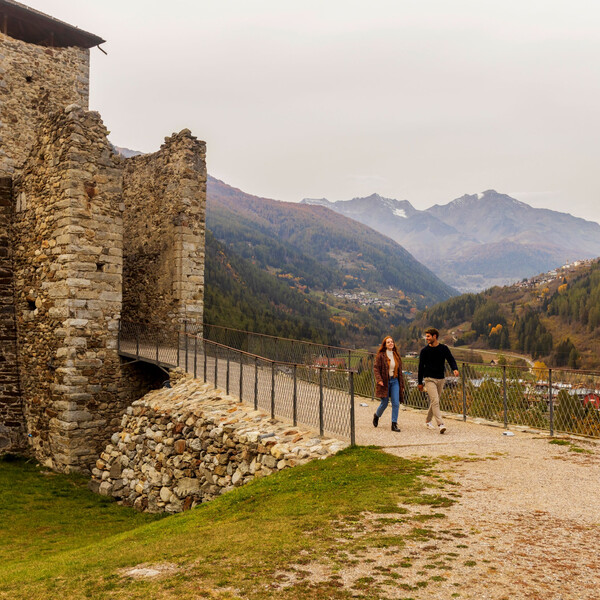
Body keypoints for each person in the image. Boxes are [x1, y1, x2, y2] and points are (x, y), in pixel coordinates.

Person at [417, 327, 459, 434]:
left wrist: (455, 369)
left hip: (441, 378)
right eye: (426, 336)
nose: (426, 338)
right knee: (435, 401)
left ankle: (427, 421)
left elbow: (450, 359)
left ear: (434, 336)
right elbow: (421, 367)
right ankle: (441, 424)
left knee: (435, 401)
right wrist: (419, 383)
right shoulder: (424, 351)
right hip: (429, 378)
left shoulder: (444, 349)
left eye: (428, 336)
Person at [373, 335, 404, 432]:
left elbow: (399, 371)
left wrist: (401, 385)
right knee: (384, 403)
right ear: (385, 345)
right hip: (385, 382)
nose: (391, 343)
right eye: (388, 342)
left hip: (395, 381)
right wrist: (379, 380)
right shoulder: (381, 355)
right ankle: (376, 415)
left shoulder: (396, 355)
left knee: (396, 403)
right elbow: (376, 368)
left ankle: (394, 424)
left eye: (392, 342)